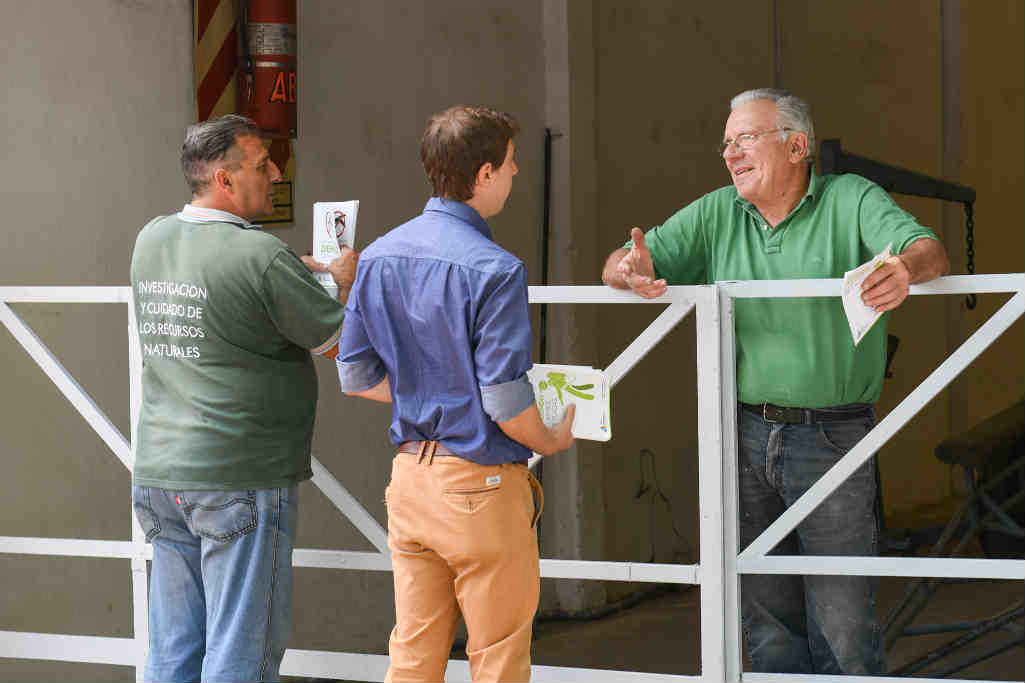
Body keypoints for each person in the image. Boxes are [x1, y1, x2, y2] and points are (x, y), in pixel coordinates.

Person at [602, 89, 949, 675]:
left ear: (796, 145)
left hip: (832, 437)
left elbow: (928, 251)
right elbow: (620, 262)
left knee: (841, 616)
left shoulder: (851, 198)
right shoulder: (717, 212)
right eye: (726, 144)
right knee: (765, 613)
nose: (731, 154)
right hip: (742, 431)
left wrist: (904, 270)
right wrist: (626, 270)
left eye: (745, 139)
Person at [337, 106, 575, 682]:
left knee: (414, 654)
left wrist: (429, 391)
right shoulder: (496, 268)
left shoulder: (380, 255)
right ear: (485, 173)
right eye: (513, 165)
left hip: (411, 481)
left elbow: (357, 376)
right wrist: (551, 438)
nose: (517, 175)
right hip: (480, 486)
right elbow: (501, 398)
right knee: (497, 657)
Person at [130, 114, 357, 682]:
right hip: (240, 472)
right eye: (262, 165)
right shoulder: (262, 256)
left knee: (173, 651)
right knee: (240, 654)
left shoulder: (151, 238)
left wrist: (287, 277)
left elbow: (220, 303)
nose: (277, 173)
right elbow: (343, 343)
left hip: (162, 474)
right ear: (225, 179)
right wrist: (347, 283)